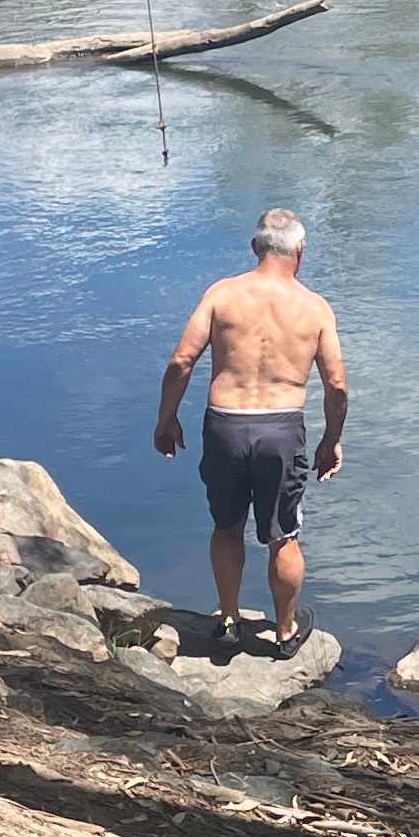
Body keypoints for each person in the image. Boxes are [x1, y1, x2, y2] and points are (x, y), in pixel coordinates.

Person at [153, 207, 349, 656]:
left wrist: (166, 418)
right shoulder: (315, 308)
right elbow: (336, 384)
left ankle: (227, 620)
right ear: (300, 251)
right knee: (283, 534)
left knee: (226, 526)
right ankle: (283, 634)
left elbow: (181, 361)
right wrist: (330, 439)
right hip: (281, 429)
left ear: (254, 247)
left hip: (225, 422)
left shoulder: (223, 295)